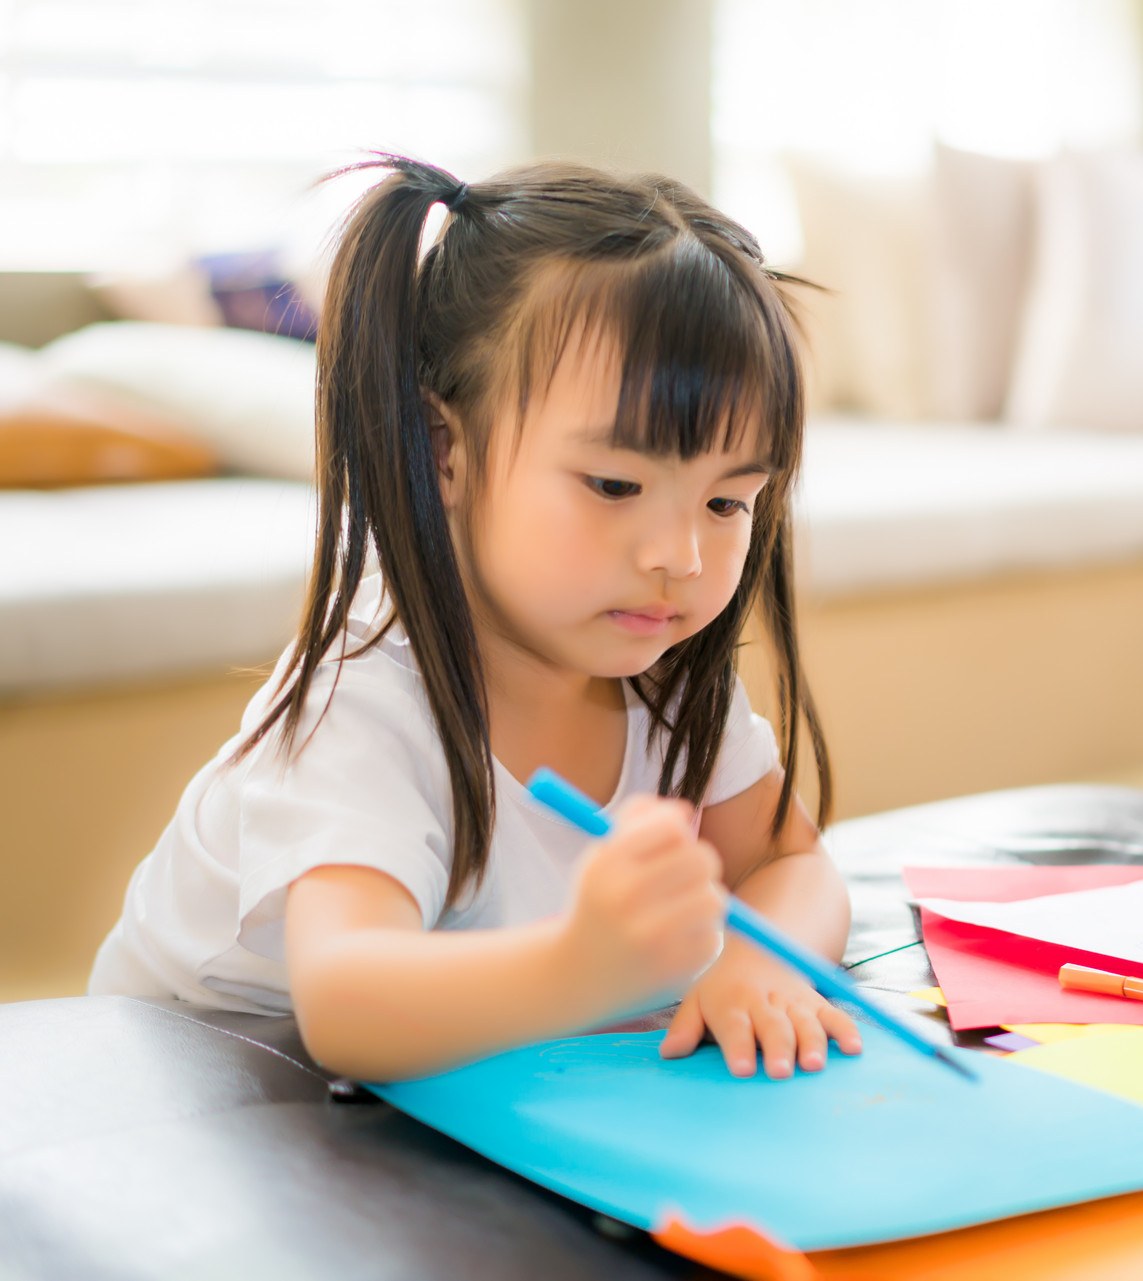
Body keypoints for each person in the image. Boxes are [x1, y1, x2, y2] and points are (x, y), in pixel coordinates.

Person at [91, 157, 861, 1082]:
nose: (681, 556)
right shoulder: (363, 697)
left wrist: (764, 960)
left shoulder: (658, 662)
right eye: (616, 485)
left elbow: (793, 864)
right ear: (442, 450)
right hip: (206, 1092)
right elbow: (346, 1005)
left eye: (727, 502)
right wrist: (583, 964)